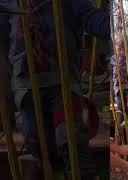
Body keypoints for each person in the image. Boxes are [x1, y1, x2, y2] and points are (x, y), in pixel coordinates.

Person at [5, 0, 112, 179]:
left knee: (71, 140)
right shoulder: (11, 2)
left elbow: (91, 17)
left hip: (62, 82)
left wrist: (114, 27)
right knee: (39, 143)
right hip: (26, 86)